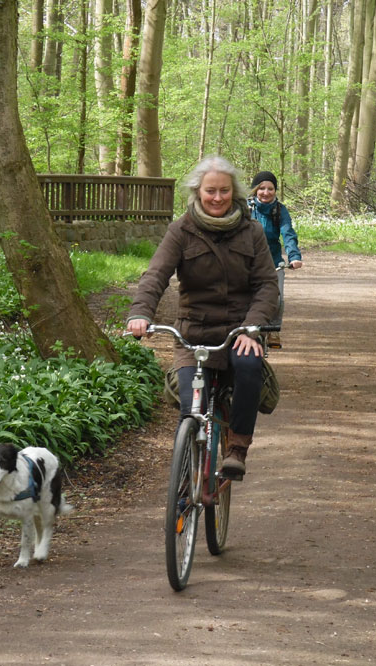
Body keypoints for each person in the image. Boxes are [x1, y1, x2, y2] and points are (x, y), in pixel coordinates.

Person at [126, 156, 279, 479]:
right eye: (211, 191)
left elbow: (266, 285)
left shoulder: (251, 232)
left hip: (239, 331)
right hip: (192, 334)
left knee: (249, 368)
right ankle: (184, 486)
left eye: (224, 191)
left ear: (234, 193)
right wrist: (140, 313)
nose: (218, 198)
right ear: (198, 192)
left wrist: (251, 329)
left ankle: (237, 447)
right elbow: (155, 276)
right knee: (189, 410)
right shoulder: (180, 230)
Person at [248, 170, 302, 348]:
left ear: (275, 190)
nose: (266, 192)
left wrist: (293, 256)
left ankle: (272, 331)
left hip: (273, 261)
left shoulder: (280, 210)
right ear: (255, 190)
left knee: (277, 298)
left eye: (270, 188)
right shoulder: (246, 209)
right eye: (261, 188)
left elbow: (288, 234)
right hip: (248, 262)